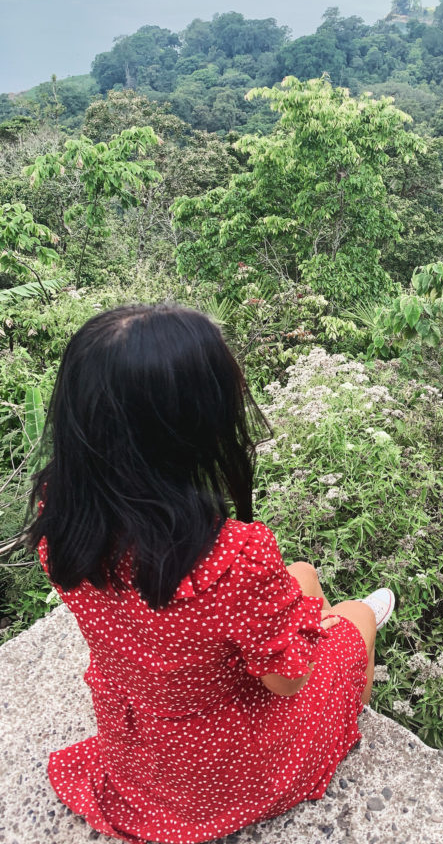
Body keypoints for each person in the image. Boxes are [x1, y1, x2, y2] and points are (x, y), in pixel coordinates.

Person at [26, 303, 395, 844]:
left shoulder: (60, 515)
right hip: (225, 774)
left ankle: (305, 621)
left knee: (304, 576)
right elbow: (285, 681)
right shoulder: (230, 560)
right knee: (359, 616)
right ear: (196, 427)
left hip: (140, 751)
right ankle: (339, 709)